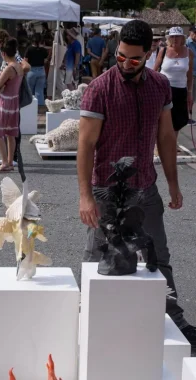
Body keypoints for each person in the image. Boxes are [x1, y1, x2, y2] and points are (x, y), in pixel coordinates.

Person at [77, 19, 196, 347]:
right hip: (105, 191)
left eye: (134, 59)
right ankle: (86, 317)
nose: (126, 64)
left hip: (145, 187)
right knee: (96, 257)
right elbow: (85, 145)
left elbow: (167, 136)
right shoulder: (99, 88)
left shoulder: (160, 86)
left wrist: (173, 183)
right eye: (121, 57)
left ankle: (173, 320)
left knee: (159, 255)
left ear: (149, 54)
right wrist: (85, 196)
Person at [0, 38, 23, 172]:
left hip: (4, 102)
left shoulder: (9, 68)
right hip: (13, 101)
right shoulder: (18, 65)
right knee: (10, 133)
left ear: (3, 54)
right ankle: (9, 162)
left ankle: (4, 162)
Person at [154, 27, 194, 138]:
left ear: (182, 38)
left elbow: (189, 76)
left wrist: (190, 93)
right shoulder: (163, 51)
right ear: (169, 38)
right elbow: (154, 71)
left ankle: (173, 143)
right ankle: (159, 144)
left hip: (180, 90)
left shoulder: (189, 52)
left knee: (177, 121)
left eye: (178, 36)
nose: (175, 39)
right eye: (172, 36)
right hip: (164, 90)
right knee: (162, 118)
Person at [25, 33, 48, 105]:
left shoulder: (29, 49)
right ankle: (40, 106)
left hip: (31, 71)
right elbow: (45, 61)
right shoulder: (43, 50)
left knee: (30, 91)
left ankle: (31, 106)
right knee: (40, 91)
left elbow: (25, 61)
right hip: (41, 71)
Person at [186, 26, 196, 122]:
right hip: (189, 73)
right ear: (190, 32)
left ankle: (188, 115)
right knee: (189, 95)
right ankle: (186, 116)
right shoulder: (186, 43)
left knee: (193, 97)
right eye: (195, 32)